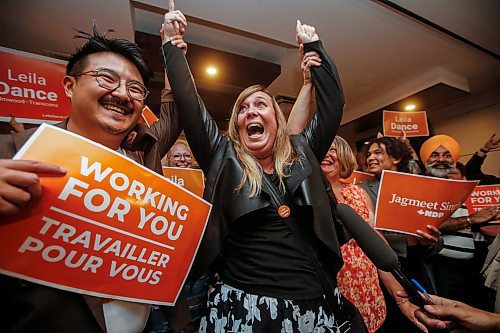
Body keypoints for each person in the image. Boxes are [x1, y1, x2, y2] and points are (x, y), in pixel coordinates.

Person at [162, 9, 368, 332]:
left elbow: (333, 106)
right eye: (242, 109)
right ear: (236, 125)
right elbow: (189, 104)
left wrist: (315, 47)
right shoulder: (223, 155)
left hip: (314, 306)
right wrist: (171, 47)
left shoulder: (302, 152)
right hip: (243, 307)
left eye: (260, 105)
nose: (250, 112)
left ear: (277, 120)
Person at [0, 23, 183, 332]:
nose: (122, 94)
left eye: (135, 89)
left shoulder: (144, 154)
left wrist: (173, 54)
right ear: (70, 86)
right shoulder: (10, 153)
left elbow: (176, 112)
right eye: (106, 78)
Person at [360, 136, 441, 332]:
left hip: (418, 264)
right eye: (369, 154)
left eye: (378, 152)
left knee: (428, 317)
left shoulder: (418, 187)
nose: (370, 157)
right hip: (387, 268)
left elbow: (437, 241)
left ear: (395, 158)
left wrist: (429, 242)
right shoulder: (361, 191)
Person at [420, 134, 499, 309]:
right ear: (425, 160)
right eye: (434, 154)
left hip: (474, 268)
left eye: (447, 155)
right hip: (444, 269)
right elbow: (429, 223)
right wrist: (471, 219)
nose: (441, 159)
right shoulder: (422, 187)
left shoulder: (465, 189)